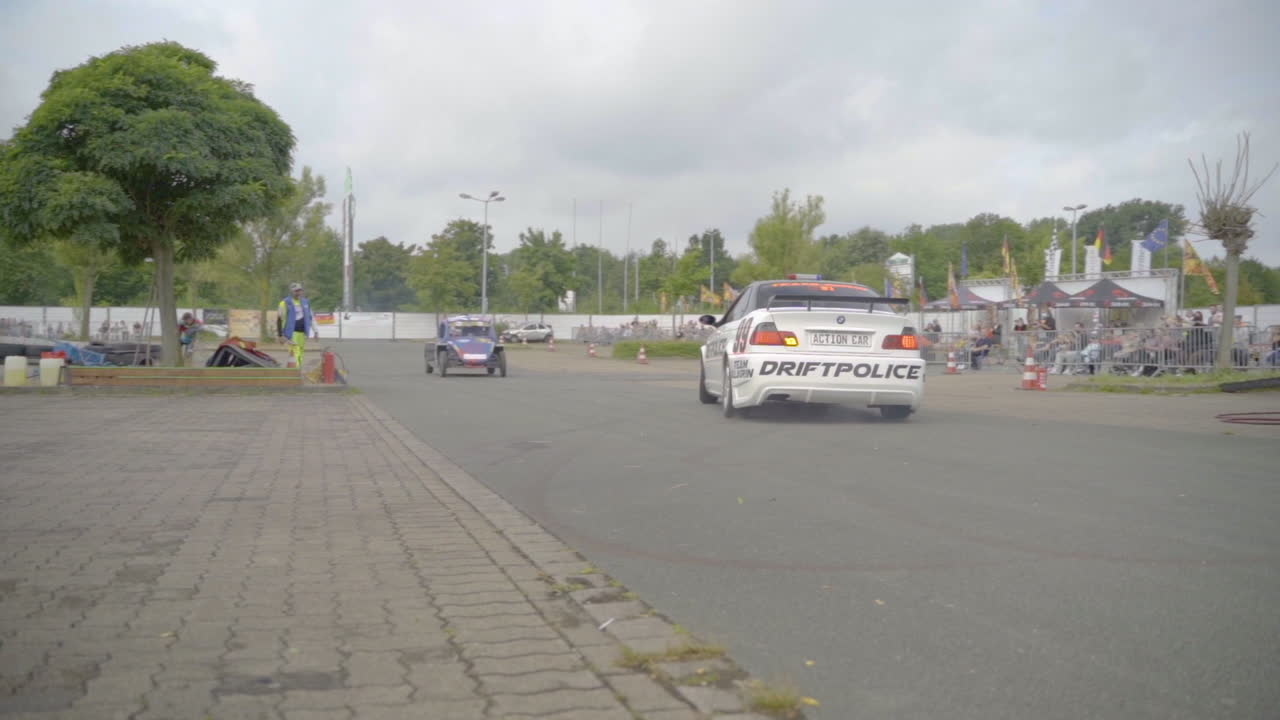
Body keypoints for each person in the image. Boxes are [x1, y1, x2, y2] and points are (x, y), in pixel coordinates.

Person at [277, 282, 318, 367]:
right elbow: (279, 319)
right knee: (295, 352)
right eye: (296, 291)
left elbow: (311, 317)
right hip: (291, 333)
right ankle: (295, 373)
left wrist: (316, 331)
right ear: (291, 292)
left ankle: (296, 371)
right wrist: (280, 335)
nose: (299, 293)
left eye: (300, 290)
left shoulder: (305, 302)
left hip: (303, 333)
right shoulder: (285, 303)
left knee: (300, 353)